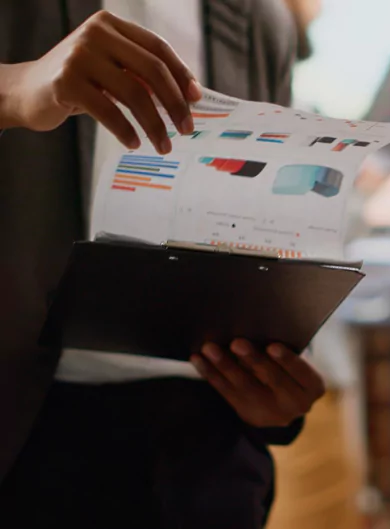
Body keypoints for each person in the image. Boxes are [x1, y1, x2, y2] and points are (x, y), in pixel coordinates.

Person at [0, 2, 325, 527]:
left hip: (206, 451)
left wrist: (271, 387)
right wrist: (13, 90)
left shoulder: (263, 22)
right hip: (25, 436)